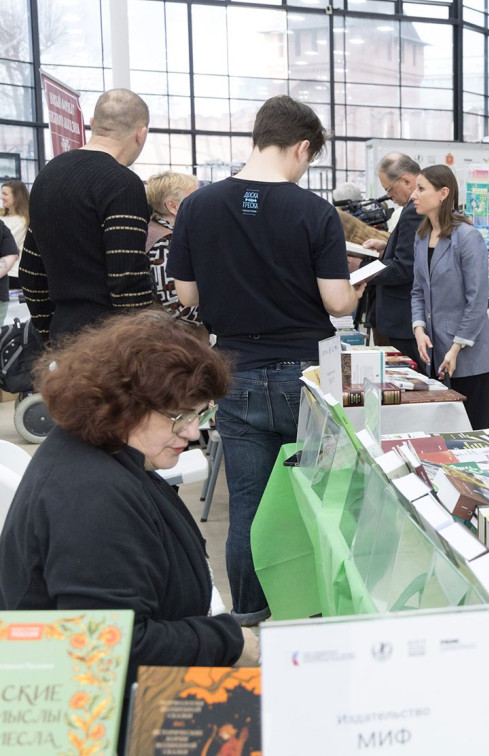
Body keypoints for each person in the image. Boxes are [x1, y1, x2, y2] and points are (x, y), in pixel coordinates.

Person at [169, 95, 362, 624]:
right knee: (318, 501)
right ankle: (315, 613)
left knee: (248, 505)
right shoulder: (315, 212)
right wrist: (355, 289)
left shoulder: (197, 207)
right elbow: (337, 302)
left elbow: (187, 296)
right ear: (301, 147)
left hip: (235, 369)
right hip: (306, 373)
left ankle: (249, 618)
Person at [0, 310, 258, 676]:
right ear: (125, 404)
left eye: (200, 414)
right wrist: (227, 641)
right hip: (97, 702)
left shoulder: (99, 450)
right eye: (180, 416)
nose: (191, 433)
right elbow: (109, 650)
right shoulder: (90, 499)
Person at [20, 89, 156, 343]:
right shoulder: (123, 183)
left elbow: (31, 272)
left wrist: (49, 332)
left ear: (93, 124)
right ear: (141, 133)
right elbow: (127, 280)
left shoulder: (47, 175)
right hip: (110, 342)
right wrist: (142, 346)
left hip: (63, 334)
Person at [411, 165, 489, 429]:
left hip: (468, 356)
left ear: (443, 193)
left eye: (421, 188)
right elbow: (418, 290)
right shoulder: (421, 236)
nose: (414, 195)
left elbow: (477, 300)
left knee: (470, 433)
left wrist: (456, 348)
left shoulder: (467, 237)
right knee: (440, 434)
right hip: (434, 354)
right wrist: (419, 329)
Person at [363, 153, 423, 364]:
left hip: (403, 319)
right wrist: (386, 246)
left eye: (389, 189)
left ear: (406, 180)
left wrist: (363, 268)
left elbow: (404, 267)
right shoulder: (412, 208)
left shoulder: (414, 210)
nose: (388, 196)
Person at [145, 171, 203, 326]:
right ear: (173, 206)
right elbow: (176, 305)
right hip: (176, 332)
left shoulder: (155, 230)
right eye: (194, 199)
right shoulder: (164, 243)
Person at [1, 179, 28, 294]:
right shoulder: (3, 218)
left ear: (17, 197)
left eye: (5, 194)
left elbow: (6, 246)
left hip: (11, 274)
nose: (1, 197)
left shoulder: (22, 222)